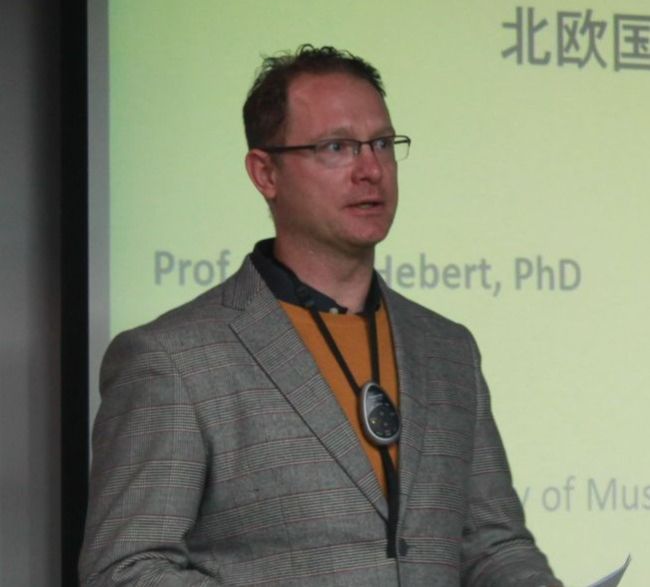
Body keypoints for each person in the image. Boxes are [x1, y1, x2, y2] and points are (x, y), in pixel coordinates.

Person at [80, 45, 562, 586]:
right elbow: (126, 570)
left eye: (382, 144)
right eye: (337, 147)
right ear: (265, 173)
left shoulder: (448, 349)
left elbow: (493, 546)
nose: (371, 170)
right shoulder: (174, 359)